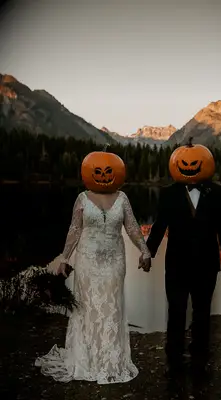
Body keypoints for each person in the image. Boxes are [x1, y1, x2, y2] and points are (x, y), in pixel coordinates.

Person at [35, 151, 151, 384]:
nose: (103, 175)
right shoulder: (82, 198)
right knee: (87, 307)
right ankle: (85, 359)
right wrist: (65, 258)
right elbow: (75, 230)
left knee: (111, 307)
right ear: (89, 173)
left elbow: (132, 228)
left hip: (114, 261)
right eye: (98, 171)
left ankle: (110, 360)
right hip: (87, 261)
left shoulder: (122, 198)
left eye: (108, 171)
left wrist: (145, 250)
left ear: (117, 173)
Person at [145, 140, 221, 380]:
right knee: (176, 312)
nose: (189, 167)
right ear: (177, 166)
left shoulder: (217, 193)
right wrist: (148, 253)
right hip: (176, 265)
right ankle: (173, 361)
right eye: (184, 164)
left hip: (206, 264)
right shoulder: (168, 193)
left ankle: (200, 360)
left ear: (204, 164)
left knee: (202, 313)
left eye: (194, 164)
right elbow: (159, 226)